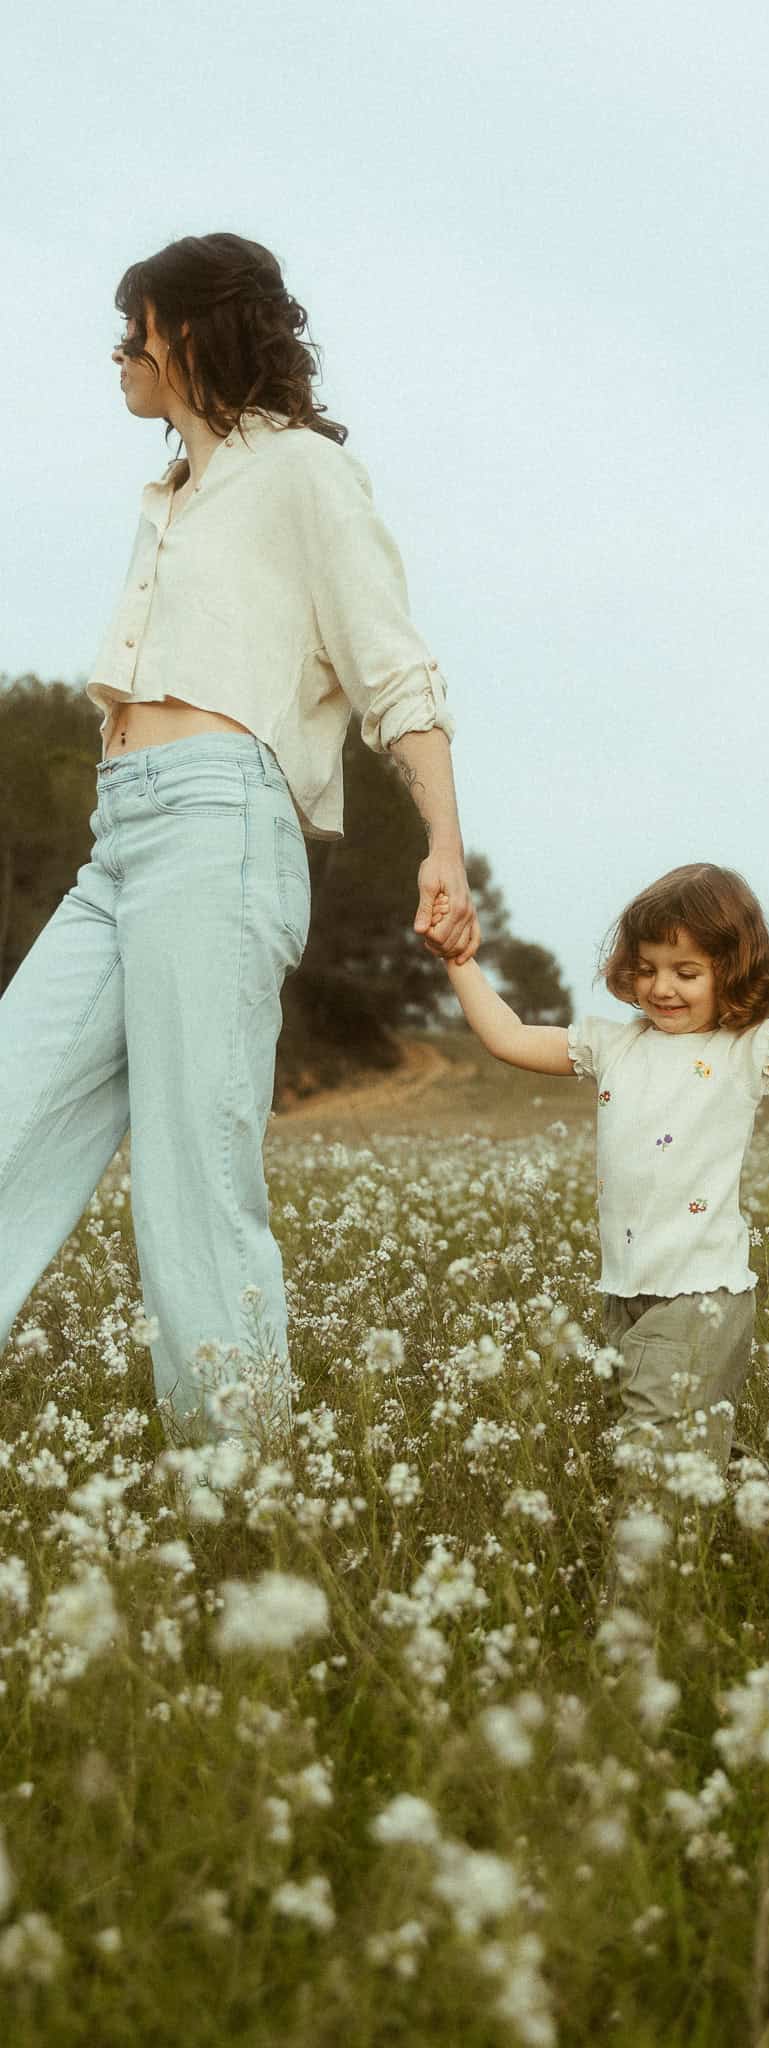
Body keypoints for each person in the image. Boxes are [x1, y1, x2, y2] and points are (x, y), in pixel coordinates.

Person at [0, 232, 479, 1435]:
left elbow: (393, 667)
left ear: (196, 330)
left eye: (138, 326)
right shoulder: (170, 499)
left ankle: (241, 1483)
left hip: (222, 824)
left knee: (192, 1172)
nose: (119, 350)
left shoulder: (303, 472)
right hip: (122, 838)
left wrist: (443, 843)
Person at [444, 862, 769, 1478]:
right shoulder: (613, 1045)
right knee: (665, 1439)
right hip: (625, 1292)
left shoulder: (746, 1051)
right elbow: (509, 1037)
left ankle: (670, 1540)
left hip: (701, 1293)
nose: (662, 988)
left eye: (686, 972)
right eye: (647, 968)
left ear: (730, 972)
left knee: (657, 1453)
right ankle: (749, 1493)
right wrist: (459, 960)